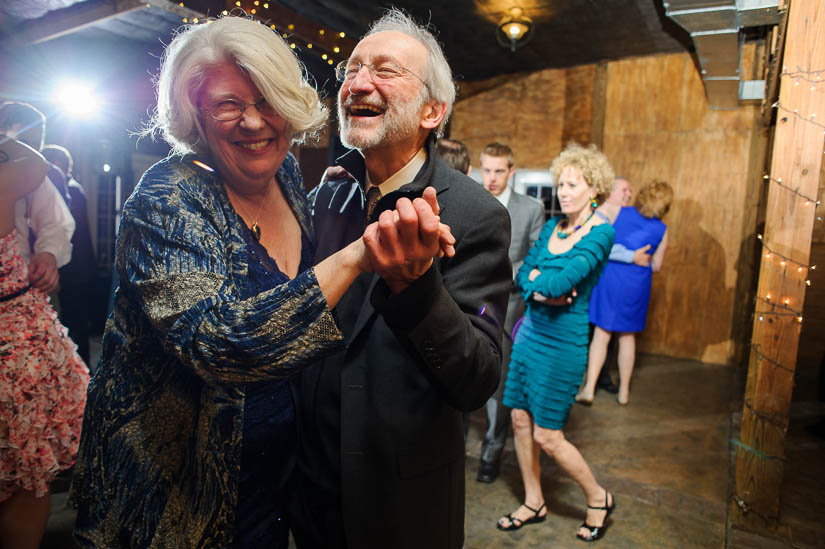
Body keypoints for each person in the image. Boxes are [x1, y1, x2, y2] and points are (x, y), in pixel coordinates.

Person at [69, 16, 451, 548]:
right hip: (173, 499)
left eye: (268, 101)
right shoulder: (165, 200)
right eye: (228, 104)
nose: (253, 122)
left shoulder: (291, 177)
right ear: (195, 116)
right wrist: (361, 254)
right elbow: (220, 346)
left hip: (272, 490)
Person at [290, 9, 511, 549]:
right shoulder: (330, 196)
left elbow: (477, 378)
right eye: (351, 68)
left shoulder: (475, 213)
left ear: (433, 111)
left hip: (398, 504)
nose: (357, 82)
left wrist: (416, 288)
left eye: (385, 71)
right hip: (309, 495)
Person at [497, 142, 616, 542]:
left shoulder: (602, 233)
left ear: (593, 188)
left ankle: (598, 497)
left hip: (563, 342)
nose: (563, 192)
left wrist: (540, 285)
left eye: (573, 184)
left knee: (548, 435)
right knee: (518, 418)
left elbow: (561, 283)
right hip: (530, 334)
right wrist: (539, 289)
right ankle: (534, 501)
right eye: (560, 184)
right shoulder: (551, 227)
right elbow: (524, 275)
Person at [0, 134, 89, 549]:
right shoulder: (11, 173)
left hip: (18, 327)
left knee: (24, 467)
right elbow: (34, 164)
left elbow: (56, 224)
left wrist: (49, 254)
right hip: (13, 330)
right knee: (25, 465)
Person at [475, 142, 545, 483]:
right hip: (471, 304)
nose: (491, 177)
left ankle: (491, 452)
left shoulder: (531, 209)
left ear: (511, 171)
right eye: (486, 169)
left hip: (510, 306)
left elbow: (536, 257)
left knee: (499, 388)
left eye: (499, 170)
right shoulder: (472, 201)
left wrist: (508, 270)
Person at [578, 180, 673, 405]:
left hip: (611, 278)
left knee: (602, 335)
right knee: (628, 337)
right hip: (637, 283)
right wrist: (638, 260)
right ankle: (624, 392)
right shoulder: (663, 229)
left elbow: (598, 241)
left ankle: (589, 389)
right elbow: (657, 265)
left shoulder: (617, 211)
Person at [0, 102, 74, 296]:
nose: (32, 153)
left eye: (36, 144)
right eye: (23, 142)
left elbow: (55, 221)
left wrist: (48, 254)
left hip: (17, 283)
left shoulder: (34, 173)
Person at [42, 145, 96, 364]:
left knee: (74, 328)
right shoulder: (74, 188)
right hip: (75, 270)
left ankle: (80, 377)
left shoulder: (70, 190)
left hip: (72, 271)